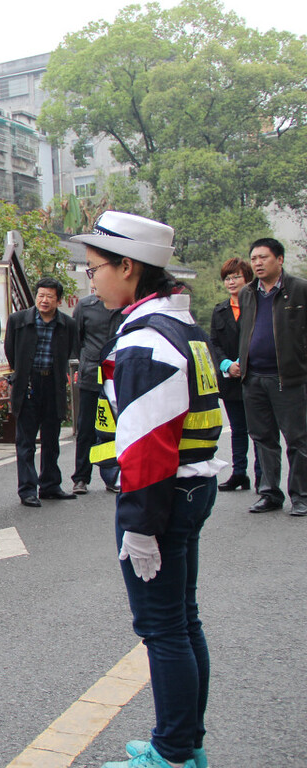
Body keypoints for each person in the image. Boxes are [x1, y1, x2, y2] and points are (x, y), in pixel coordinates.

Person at [73, 211, 223, 768]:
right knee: (183, 620)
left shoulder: (146, 340)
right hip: (193, 486)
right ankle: (186, 742)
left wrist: (138, 526)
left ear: (128, 268)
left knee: (163, 630)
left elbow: (148, 447)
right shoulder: (181, 326)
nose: (91, 281)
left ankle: (172, 754)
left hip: (163, 496)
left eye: (95, 269)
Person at [237, 237, 307, 517]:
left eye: (263, 258)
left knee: (298, 439)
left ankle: (301, 495)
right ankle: (269, 493)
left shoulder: (299, 289)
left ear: (279, 259)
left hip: (288, 378)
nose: (257, 263)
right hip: (253, 378)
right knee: (262, 438)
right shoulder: (247, 293)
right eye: (254, 259)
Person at [5, 277, 76, 507]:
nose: (44, 301)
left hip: (53, 384)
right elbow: (10, 351)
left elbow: (69, 352)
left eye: (50, 297)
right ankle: (27, 489)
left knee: (51, 438)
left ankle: (50, 485)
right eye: (41, 295)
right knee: (25, 441)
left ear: (58, 300)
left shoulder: (67, 324)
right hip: (28, 383)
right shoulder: (19, 321)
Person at [208, 258, 261, 493]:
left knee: (260, 430)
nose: (231, 282)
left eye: (236, 277)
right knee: (238, 429)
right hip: (230, 379)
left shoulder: (259, 305)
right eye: (227, 278)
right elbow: (214, 344)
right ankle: (239, 473)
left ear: (247, 278)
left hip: (256, 376)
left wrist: (244, 359)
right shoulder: (219, 311)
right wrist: (227, 364)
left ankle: (264, 476)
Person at [71, 292, 123, 495]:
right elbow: (76, 341)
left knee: (117, 428)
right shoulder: (85, 306)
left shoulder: (124, 304)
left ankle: (113, 475)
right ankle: (81, 477)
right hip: (91, 374)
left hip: (118, 375)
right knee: (86, 428)